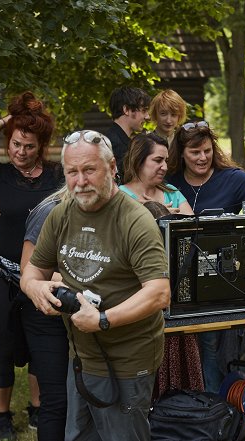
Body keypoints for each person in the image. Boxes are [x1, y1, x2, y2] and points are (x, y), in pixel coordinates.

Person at [21, 130, 170, 441]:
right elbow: (31, 273)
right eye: (72, 172)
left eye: (89, 170)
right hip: (82, 356)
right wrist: (36, 289)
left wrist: (103, 320)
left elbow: (158, 293)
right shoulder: (61, 214)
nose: (80, 181)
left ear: (112, 167)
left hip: (128, 359)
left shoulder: (134, 220)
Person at [0, 91, 63, 439]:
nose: (21, 152)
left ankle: (37, 408)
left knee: (41, 342)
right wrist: (13, 119)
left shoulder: (57, 176)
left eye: (29, 146)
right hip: (3, 275)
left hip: (42, 276)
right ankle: (2, 414)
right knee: (2, 344)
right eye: (16, 144)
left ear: (41, 147)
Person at [167, 121, 245, 394]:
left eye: (206, 150)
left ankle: (219, 407)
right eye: (194, 152)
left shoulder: (232, 178)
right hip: (176, 281)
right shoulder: (170, 182)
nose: (202, 157)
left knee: (214, 349)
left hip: (223, 280)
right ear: (181, 153)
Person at [17, 186, 71, 441]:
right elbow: (27, 269)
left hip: (79, 315)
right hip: (45, 315)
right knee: (56, 399)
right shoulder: (50, 210)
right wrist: (80, 280)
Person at [120, 132, 194, 215]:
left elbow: (192, 226)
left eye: (166, 161)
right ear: (138, 161)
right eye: (158, 160)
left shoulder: (171, 192)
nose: (165, 167)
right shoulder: (121, 196)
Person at [105, 86, 151, 181]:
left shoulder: (117, 140)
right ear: (126, 110)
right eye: (143, 110)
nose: (147, 117)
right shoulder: (112, 144)